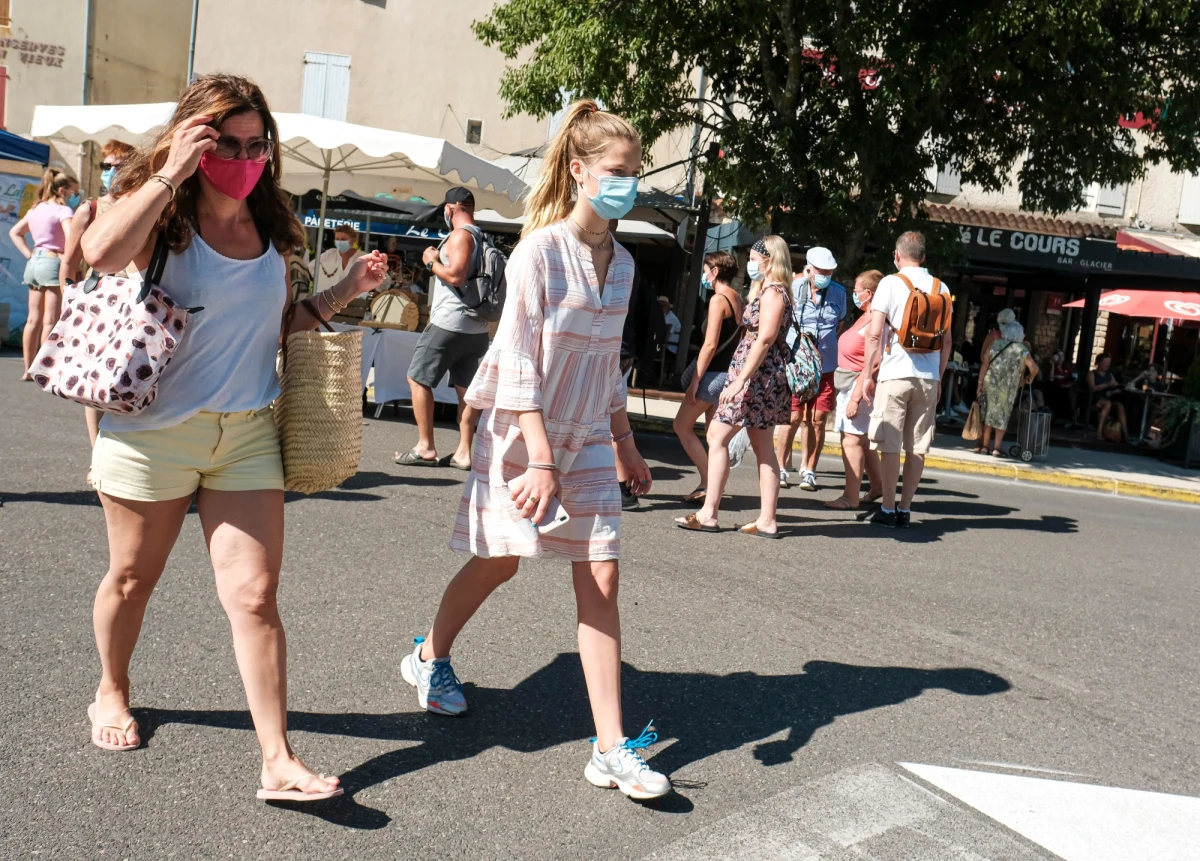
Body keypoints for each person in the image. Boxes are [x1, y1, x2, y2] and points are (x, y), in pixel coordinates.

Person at [80, 74, 388, 800]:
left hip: (246, 431)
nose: (245, 157)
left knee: (254, 594)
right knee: (132, 578)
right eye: (228, 142)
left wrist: (344, 293)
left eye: (258, 144)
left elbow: (273, 327)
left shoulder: (271, 224)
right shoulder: (163, 211)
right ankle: (111, 687)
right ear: (194, 137)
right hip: (154, 430)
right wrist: (168, 173)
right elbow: (99, 251)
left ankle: (277, 758)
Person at [399, 100, 669, 800]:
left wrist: (626, 443)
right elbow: (516, 361)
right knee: (500, 562)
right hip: (526, 436)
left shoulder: (626, 264)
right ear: (579, 171)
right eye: (617, 171)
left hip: (584, 437)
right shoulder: (539, 253)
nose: (628, 183)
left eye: (635, 172)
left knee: (602, 577)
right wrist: (542, 457)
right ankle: (429, 655)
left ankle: (610, 747)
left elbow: (607, 364)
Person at [676, 236, 793, 538]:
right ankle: (765, 519)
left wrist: (740, 379)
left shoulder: (773, 293)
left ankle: (709, 513)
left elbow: (765, 338)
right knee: (762, 447)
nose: (751, 264)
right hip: (760, 377)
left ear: (770, 260)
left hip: (755, 378)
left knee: (717, 435)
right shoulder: (772, 291)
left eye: (755, 258)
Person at [862, 231, 952, 528]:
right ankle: (905, 508)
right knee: (918, 446)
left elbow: (875, 334)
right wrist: (937, 379)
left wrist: (867, 375)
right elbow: (947, 342)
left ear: (897, 255)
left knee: (890, 443)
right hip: (927, 377)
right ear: (924, 256)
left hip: (895, 373)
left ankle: (887, 508)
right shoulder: (942, 287)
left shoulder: (890, 283)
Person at [396, 187, 490, 470]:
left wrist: (431, 261)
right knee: (467, 390)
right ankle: (464, 452)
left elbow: (456, 275)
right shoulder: (483, 236)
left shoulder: (461, 235)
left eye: (445, 211)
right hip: (477, 327)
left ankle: (425, 446)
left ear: (451, 208)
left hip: (451, 322)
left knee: (417, 378)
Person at [59, 140, 137, 457]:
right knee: (95, 383)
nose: (111, 172)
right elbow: (69, 261)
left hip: (135, 303)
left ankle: (124, 451)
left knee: (128, 378)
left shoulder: (143, 206)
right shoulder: (89, 209)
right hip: (99, 302)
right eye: (106, 166)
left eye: (118, 166)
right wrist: (70, 296)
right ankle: (98, 454)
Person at [673, 250, 743, 503]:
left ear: (714, 272)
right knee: (715, 438)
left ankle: (707, 482)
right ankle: (714, 489)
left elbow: (710, 345)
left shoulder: (718, 300)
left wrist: (695, 380)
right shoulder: (738, 299)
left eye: (705, 271)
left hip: (712, 376)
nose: (703, 276)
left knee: (681, 426)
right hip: (728, 376)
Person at [775, 246, 846, 492]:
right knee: (792, 417)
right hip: (797, 365)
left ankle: (810, 470)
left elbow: (840, 323)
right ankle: (781, 468)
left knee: (817, 420)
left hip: (825, 366)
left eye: (830, 271)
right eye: (821, 271)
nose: (826, 275)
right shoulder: (793, 288)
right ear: (809, 269)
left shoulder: (839, 293)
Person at [10, 168, 80, 380]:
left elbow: (15, 232)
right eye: (74, 192)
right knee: (50, 319)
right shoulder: (63, 211)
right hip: (52, 262)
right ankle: (45, 370)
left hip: (34, 263)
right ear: (62, 190)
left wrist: (29, 254)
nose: (76, 196)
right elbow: (72, 238)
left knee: (33, 319)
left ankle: (28, 369)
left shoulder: (36, 209)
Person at [824, 270, 884, 510]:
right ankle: (877, 487)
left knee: (851, 441)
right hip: (849, 384)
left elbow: (874, 362)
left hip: (858, 387)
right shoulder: (866, 316)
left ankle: (851, 497)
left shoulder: (875, 320)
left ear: (868, 294)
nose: (854, 294)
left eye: (857, 290)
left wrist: (856, 398)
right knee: (860, 441)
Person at [975, 317, 1040, 456]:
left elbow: (985, 364)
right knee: (1002, 417)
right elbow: (1034, 368)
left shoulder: (995, 344)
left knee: (988, 414)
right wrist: (1030, 378)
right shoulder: (1021, 349)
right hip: (1008, 389)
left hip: (990, 385)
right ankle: (996, 448)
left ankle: (985, 446)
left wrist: (980, 384)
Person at [311, 223, 369, 290]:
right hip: (329, 296)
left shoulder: (363, 257)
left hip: (357, 298)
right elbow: (311, 268)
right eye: (337, 239)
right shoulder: (329, 254)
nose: (339, 242)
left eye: (343, 239)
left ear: (353, 240)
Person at [1087, 353, 1128, 442]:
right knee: (1107, 403)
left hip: (1107, 397)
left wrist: (1116, 389)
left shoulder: (1109, 374)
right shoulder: (1092, 373)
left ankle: (1125, 434)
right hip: (1095, 398)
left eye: (1108, 363)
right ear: (1098, 362)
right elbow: (1093, 388)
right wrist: (1106, 385)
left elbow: (1115, 384)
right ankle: (1099, 432)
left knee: (1120, 406)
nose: (1107, 365)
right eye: (1105, 362)